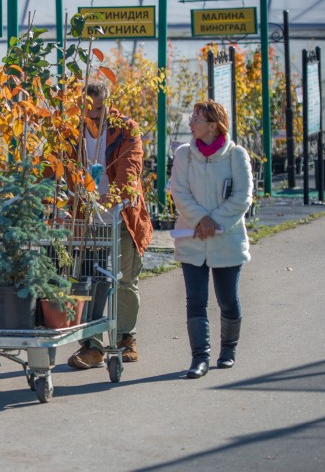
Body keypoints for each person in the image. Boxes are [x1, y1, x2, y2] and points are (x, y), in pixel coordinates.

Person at [67, 82, 153, 370]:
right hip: (87, 217)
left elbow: (131, 168)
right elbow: (59, 168)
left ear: (109, 104)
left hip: (122, 215)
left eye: (100, 109)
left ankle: (124, 337)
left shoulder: (126, 128)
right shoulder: (71, 132)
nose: (94, 116)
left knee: (125, 278)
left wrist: (113, 195)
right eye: (88, 110)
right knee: (88, 281)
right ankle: (91, 346)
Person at [170, 100, 253, 379]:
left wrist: (214, 221)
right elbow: (179, 192)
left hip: (225, 239)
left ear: (213, 126)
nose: (190, 123)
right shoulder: (184, 155)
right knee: (195, 299)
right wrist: (200, 220)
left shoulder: (235, 155)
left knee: (227, 299)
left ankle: (228, 350)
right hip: (192, 237)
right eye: (191, 117)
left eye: (197, 119)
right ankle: (200, 358)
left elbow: (243, 196)